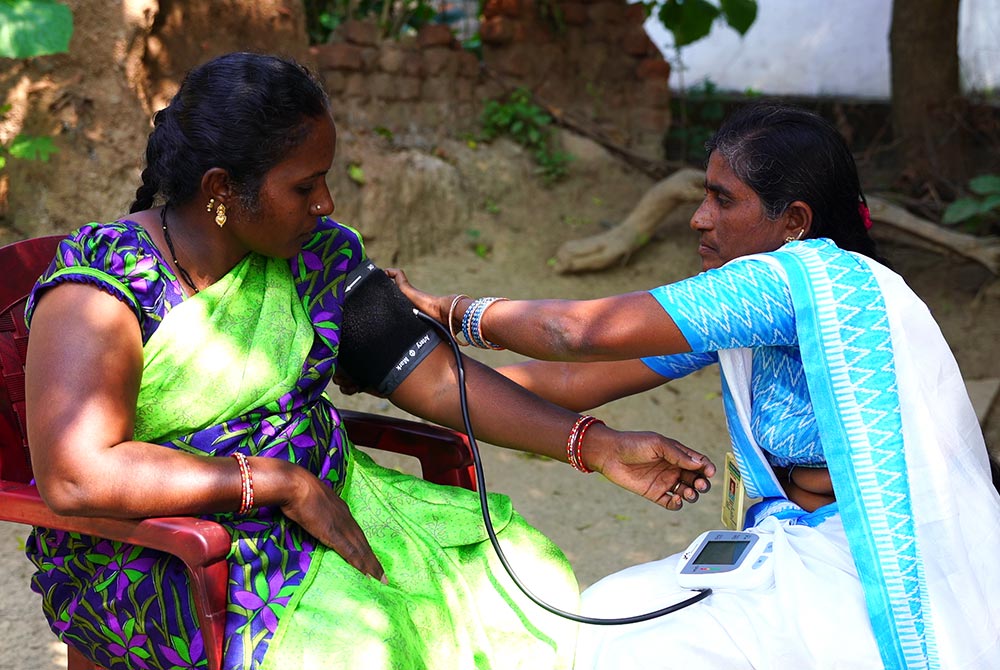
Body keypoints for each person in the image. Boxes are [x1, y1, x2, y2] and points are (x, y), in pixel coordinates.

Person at [21, 52, 717, 670]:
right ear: (221, 189)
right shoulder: (108, 284)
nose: (325, 203)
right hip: (162, 548)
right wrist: (280, 484)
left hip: (332, 506)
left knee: (526, 576)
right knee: (362, 647)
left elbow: (439, 380)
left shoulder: (317, 258)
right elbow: (79, 476)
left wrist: (593, 444)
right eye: (304, 186)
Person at [390, 103, 1000, 669]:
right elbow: (573, 378)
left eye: (722, 199)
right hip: (791, 547)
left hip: (873, 563)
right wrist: (417, 380)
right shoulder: (749, 302)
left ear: (794, 223)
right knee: (604, 614)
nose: (698, 217)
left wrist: (449, 310)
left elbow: (574, 335)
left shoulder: (795, 279)